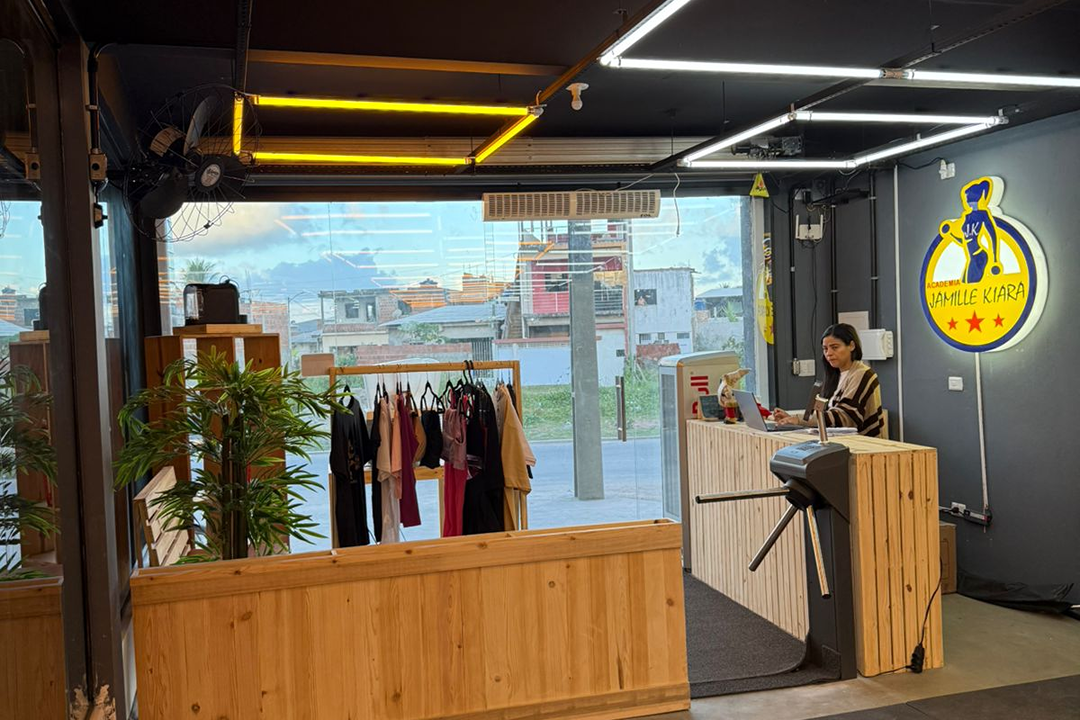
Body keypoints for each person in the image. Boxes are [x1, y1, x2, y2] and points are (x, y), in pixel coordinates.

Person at [773, 323, 885, 437]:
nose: (828, 353)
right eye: (825, 349)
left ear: (851, 346)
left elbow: (845, 417)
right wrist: (790, 418)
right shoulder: (835, 375)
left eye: (835, 347)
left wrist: (798, 419)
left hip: (863, 444)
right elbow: (823, 414)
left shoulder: (863, 374)